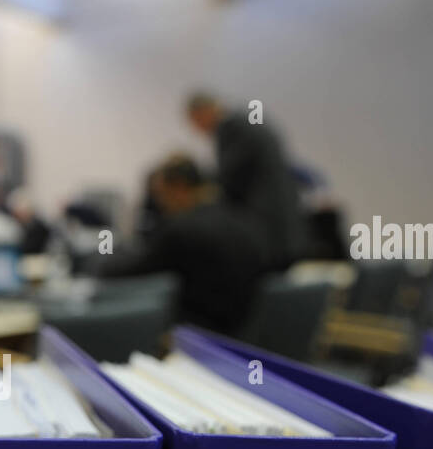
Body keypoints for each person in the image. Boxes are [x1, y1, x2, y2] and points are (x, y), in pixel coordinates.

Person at [107, 155, 269, 335]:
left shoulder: (182, 230)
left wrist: (101, 261)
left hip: (198, 336)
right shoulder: (242, 218)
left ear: (179, 187)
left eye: (161, 195)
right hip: (246, 332)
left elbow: (132, 271)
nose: (160, 205)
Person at [186, 91, 306, 271]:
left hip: (265, 226)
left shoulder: (230, 129)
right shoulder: (250, 122)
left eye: (195, 123)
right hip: (284, 222)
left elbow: (229, 177)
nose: (197, 130)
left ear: (203, 112)